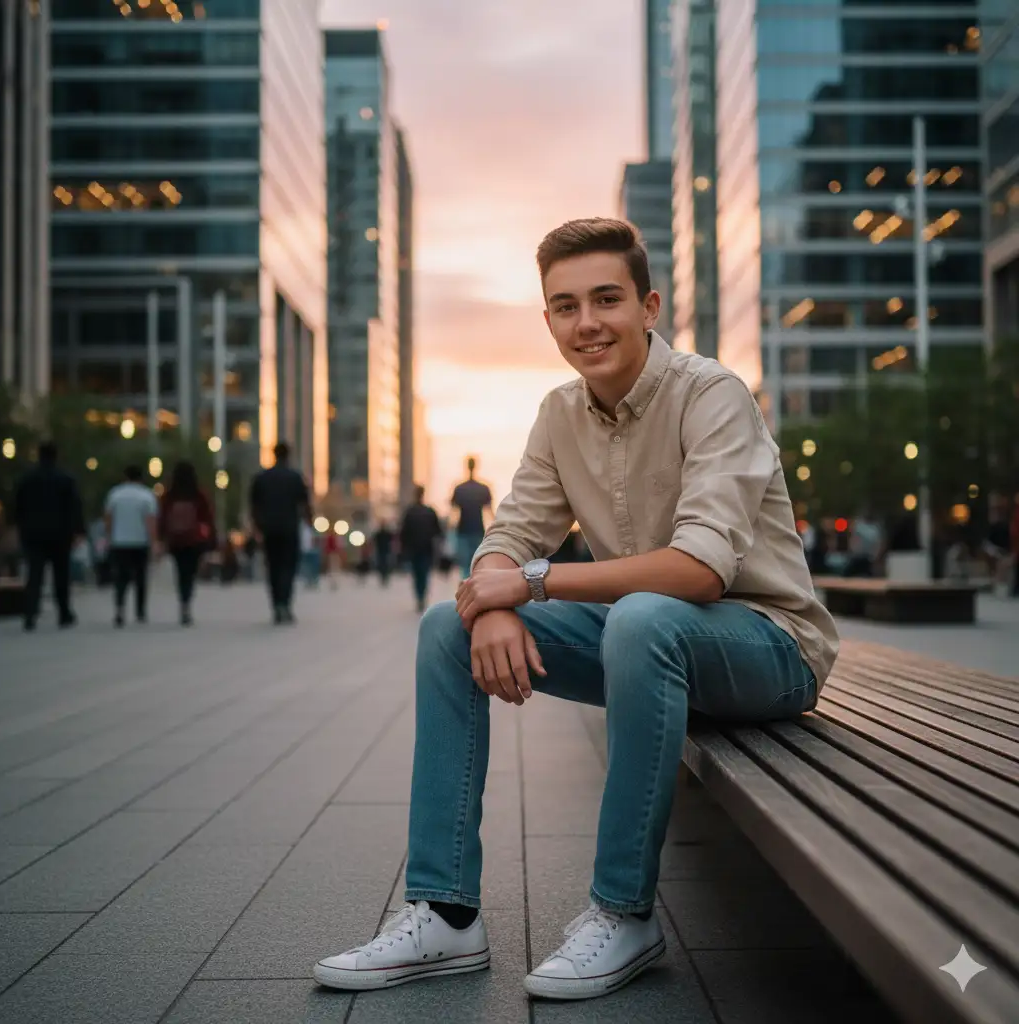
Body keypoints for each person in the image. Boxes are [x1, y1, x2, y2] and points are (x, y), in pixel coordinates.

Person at [314, 218, 839, 1001]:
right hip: (652, 642)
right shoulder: (560, 413)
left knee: (642, 616)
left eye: (606, 299)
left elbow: (698, 570)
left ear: (649, 305)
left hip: (767, 647)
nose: (586, 323)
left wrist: (528, 585)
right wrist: (489, 606)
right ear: (549, 319)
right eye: (565, 306)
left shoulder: (713, 394)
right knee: (443, 629)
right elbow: (510, 533)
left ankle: (624, 913)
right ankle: (446, 913)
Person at [12, 441, 85, 631]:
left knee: (34, 575)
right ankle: (63, 613)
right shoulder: (65, 479)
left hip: (33, 534)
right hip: (60, 534)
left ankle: (30, 614)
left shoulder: (27, 478)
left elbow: (18, 507)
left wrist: (20, 528)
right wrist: (78, 530)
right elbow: (75, 507)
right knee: (61, 575)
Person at [249, 441, 310, 624]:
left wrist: (257, 527)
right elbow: (305, 503)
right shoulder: (295, 477)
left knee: (273, 567)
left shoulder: (262, 478)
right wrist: (309, 521)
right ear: (288, 455)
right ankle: (285, 603)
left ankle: (276, 604)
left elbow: (254, 505)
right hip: (290, 528)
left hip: (270, 529)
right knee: (288, 567)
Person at [159, 461, 214, 626]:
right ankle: (186, 602)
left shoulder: (169, 495)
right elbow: (207, 518)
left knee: (180, 571)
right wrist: (211, 540)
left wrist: (162, 538)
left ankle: (183, 600)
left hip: (176, 540)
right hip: (194, 539)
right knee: (190, 573)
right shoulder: (198, 494)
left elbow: (162, 517)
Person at [105, 464, 158, 627]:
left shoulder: (115, 494)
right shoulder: (146, 496)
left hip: (119, 541)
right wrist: (154, 541)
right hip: (140, 542)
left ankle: (120, 609)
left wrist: (109, 537)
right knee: (141, 577)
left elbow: (108, 518)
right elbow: (150, 521)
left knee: (120, 577)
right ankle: (140, 611)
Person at [398, 485, 443, 612]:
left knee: (417, 574)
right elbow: (438, 531)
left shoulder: (410, 511)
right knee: (424, 573)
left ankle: (419, 597)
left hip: (414, 549)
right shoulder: (429, 511)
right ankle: (422, 596)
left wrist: (404, 548)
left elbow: (403, 532)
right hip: (426, 548)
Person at [451, 457, 493, 578]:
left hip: (462, 530)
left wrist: (450, 531)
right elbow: (490, 512)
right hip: (478, 530)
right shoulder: (483, 488)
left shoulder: (459, 488)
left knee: (464, 565)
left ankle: (467, 586)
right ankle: (475, 587)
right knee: (477, 564)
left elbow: (453, 512)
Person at [373, 521, 396, 587]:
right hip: (383, 551)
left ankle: (384, 577)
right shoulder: (380, 534)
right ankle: (384, 577)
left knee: (384, 564)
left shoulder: (382, 533)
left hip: (384, 551)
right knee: (383, 564)